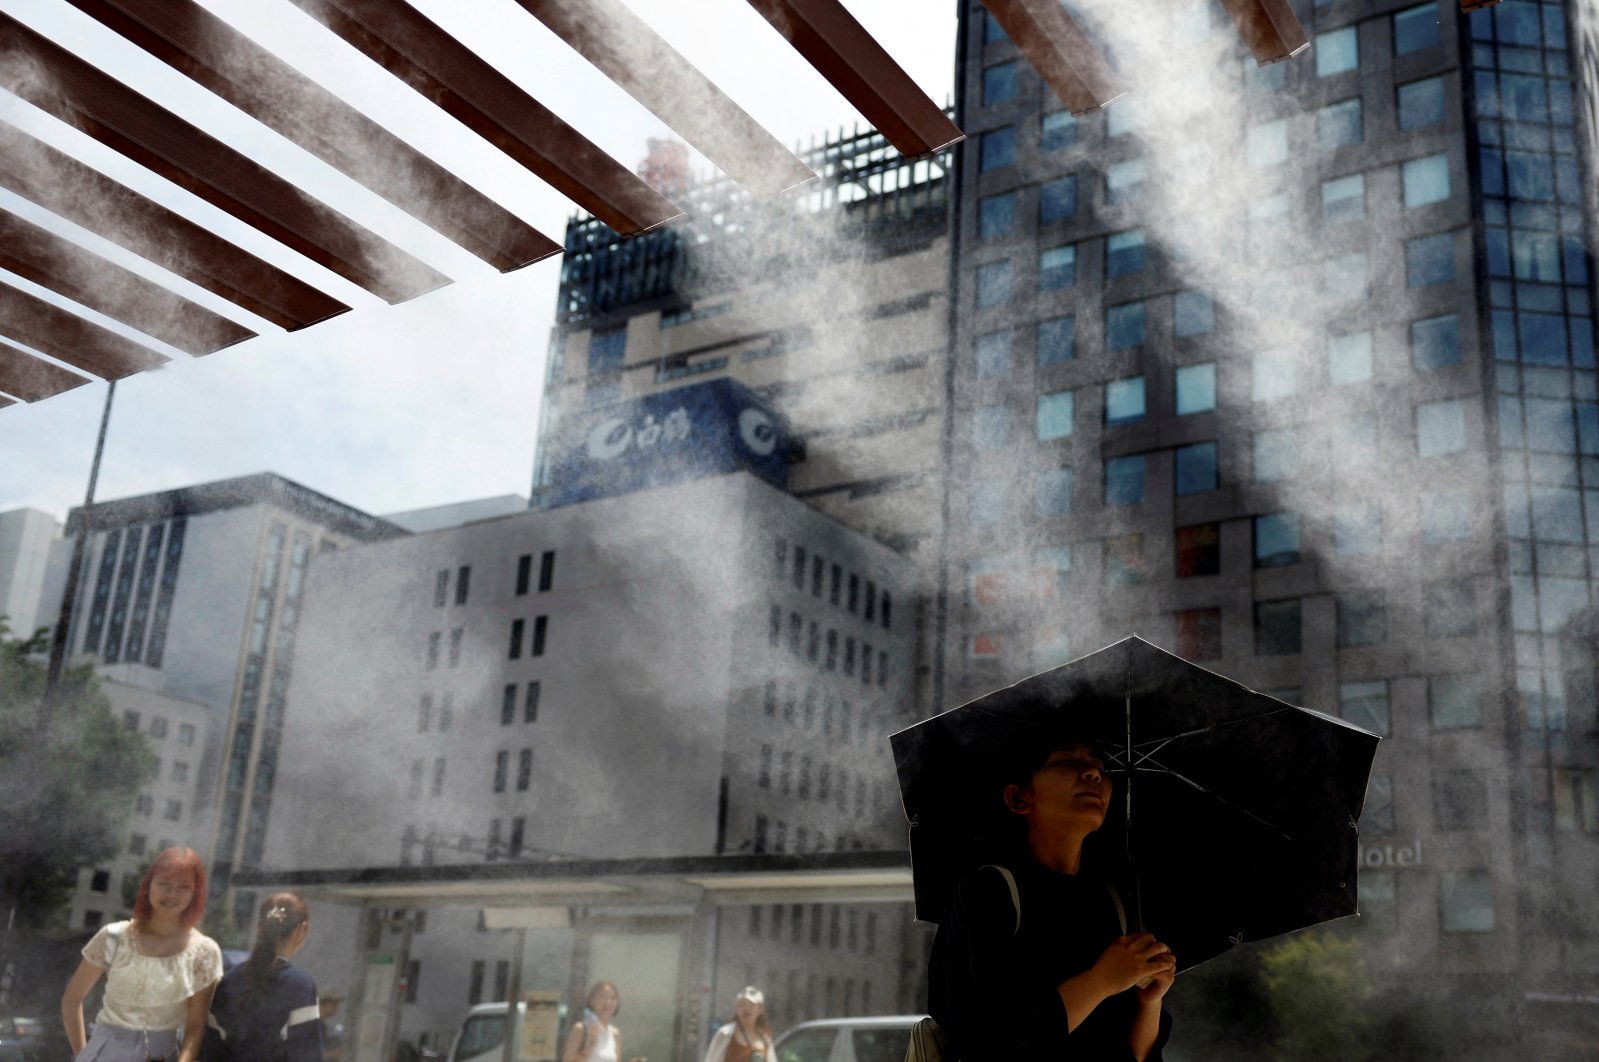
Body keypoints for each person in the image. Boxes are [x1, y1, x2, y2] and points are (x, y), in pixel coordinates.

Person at [927, 740, 1177, 1061]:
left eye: (1100, 767)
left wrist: (1150, 1001)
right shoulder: (990, 892)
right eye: (1066, 762)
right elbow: (987, 1039)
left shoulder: (1110, 901)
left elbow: (1136, 1056)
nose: (1093, 774)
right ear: (1019, 799)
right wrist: (1100, 981)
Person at [62, 847, 224, 1062]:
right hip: (103, 1051)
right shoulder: (113, 937)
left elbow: (195, 1028)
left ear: (196, 893)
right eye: (164, 884)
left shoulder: (204, 952)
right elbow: (72, 999)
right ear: (149, 885)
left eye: (183, 887)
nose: (171, 894)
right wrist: (83, 1054)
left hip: (162, 1055)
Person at [199, 892, 321, 1062]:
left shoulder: (229, 981)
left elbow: (211, 1050)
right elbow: (307, 1055)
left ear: (259, 928)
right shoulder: (301, 986)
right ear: (302, 930)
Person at [701, 986, 774, 1062]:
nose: (746, 1008)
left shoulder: (765, 1039)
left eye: (751, 1004)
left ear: (760, 1009)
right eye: (742, 1004)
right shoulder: (725, 1034)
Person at [559, 982, 621, 1062]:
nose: (607, 1002)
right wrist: (590, 1045)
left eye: (612, 998)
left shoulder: (615, 1033)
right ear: (592, 1001)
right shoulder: (581, 1029)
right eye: (602, 997)